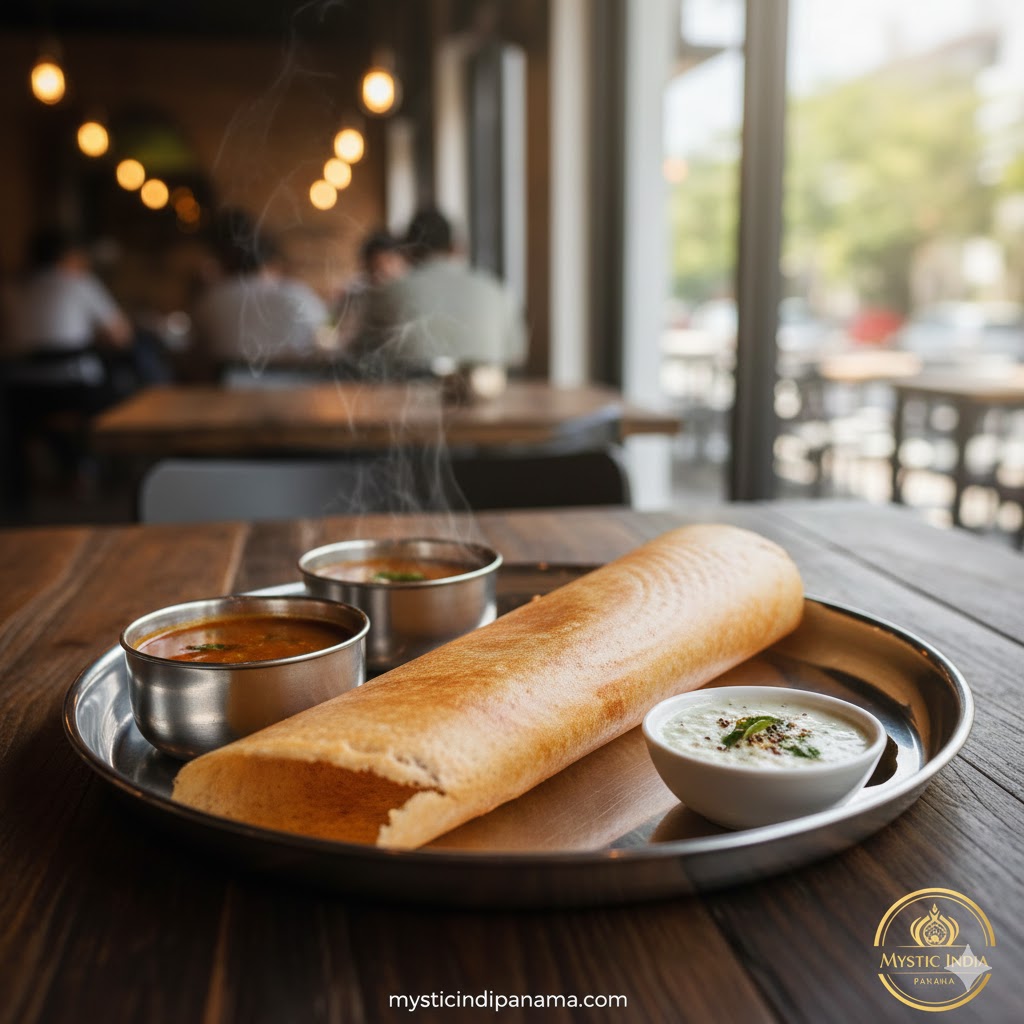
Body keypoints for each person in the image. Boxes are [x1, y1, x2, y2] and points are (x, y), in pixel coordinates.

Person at [361, 208, 527, 376]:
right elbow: (516, 356)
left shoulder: (388, 292)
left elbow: (364, 351)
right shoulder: (498, 290)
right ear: (455, 247)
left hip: (409, 389)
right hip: (486, 389)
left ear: (408, 251)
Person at [190, 210, 328, 378]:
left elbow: (196, 351)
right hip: (298, 386)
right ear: (271, 263)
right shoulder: (297, 293)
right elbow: (323, 337)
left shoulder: (210, 299)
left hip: (226, 387)